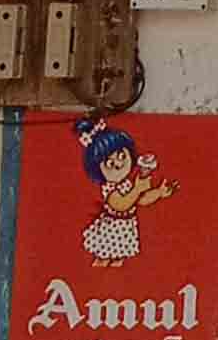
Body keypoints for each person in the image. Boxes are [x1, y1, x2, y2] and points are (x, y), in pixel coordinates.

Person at [74, 115, 175, 270]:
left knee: (119, 260)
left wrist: (159, 192)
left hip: (125, 230)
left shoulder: (128, 183)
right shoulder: (110, 188)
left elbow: (141, 200)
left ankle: (114, 278)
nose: (119, 163)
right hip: (111, 229)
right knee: (103, 259)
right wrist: (137, 189)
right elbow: (120, 204)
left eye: (122, 156)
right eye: (110, 163)